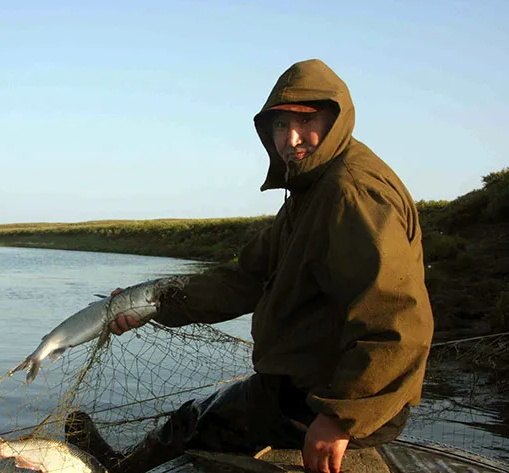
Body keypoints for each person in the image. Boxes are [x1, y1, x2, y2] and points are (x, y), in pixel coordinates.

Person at [65, 59, 434, 473]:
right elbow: (244, 279)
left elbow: (398, 322)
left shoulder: (352, 193)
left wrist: (338, 417)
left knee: (203, 423)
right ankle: (122, 466)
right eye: (279, 126)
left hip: (331, 396)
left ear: (337, 117)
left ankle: (118, 469)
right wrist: (154, 303)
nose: (290, 138)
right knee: (195, 416)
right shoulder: (311, 192)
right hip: (302, 382)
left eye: (305, 120)